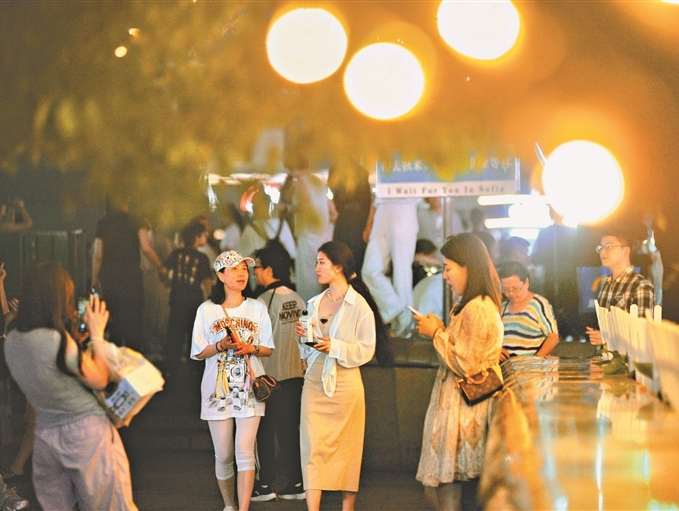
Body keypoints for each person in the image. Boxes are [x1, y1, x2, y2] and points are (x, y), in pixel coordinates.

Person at [3, 262, 137, 510]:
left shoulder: (13, 341)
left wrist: (76, 343)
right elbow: (99, 378)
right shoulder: (58, 340)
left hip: (47, 437)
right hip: (85, 436)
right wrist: (97, 335)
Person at [295, 241, 390, 511]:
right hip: (315, 382)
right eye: (316, 262)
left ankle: (347, 508)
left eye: (322, 262)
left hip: (346, 384)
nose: (316, 268)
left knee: (348, 448)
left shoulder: (359, 305)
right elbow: (308, 347)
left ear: (338, 267)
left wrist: (333, 346)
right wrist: (304, 338)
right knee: (311, 446)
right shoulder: (314, 303)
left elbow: (366, 349)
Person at [413, 233, 503, 511]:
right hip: (457, 406)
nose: (445, 276)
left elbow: (467, 364)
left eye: (448, 268)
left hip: (463, 407)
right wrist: (442, 330)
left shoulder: (478, 308)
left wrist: (436, 333)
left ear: (467, 268)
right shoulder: (474, 304)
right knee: (444, 484)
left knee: (445, 484)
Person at [190, 250, 274, 511]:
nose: (241, 274)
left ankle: (243, 508)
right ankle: (229, 505)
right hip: (217, 391)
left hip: (250, 389)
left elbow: (268, 348)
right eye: (234, 269)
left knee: (245, 451)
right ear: (220, 275)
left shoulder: (257, 307)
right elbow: (198, 352)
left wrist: (251, 348)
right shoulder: (207, 310)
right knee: (224, 454)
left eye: (245, 269)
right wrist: (220, 345)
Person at [251, 244, 305, 502]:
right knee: (289, 431)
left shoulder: (263, 302)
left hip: (269, 380)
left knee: (264, 432)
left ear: (269, 270)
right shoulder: (298, 299)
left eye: (258, 267)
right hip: (295, 377)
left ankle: (265, 484)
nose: (254, 273)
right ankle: (297, 482)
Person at [92, 195, 166, 350]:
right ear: (126, 202)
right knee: (133, 319)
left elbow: (98, 255)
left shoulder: (102, 223)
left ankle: (114, 356)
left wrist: (94, 281)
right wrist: (160, 265)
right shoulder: (136, 221)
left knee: (114, 321)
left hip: (109, 278)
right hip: (131, 277)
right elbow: (146, 248)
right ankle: (133, 357)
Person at [279, 154, 334, 302]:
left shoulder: (300, 182)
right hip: (323, 234)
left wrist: (287, 207)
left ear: (293, 167)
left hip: (307, 233)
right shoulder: (318, 181)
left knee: (307, 276)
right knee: (320, 273)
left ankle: (308, 307)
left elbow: (305, 204)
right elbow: (332, 210)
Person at [361, 196, 419, 336]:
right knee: (369, 271)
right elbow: (376, 193)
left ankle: (405, 328)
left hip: (403, 205)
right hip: (382, 208)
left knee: (401, 272)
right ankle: (395, 307)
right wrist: (370, 222)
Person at [586, 230, 655, 346]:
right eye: (601, 247)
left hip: (629, 356)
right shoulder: (606, 284)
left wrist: (608, 338)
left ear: (626, 251)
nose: (603, 252)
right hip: (605, 354)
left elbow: (644, 332)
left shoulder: (640, 285)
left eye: (609, 246)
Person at [163, 221, 213, 377]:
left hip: (176, 299)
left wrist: (167, 281)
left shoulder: (176, 253)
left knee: (174, 335)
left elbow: (164, 270)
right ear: (196, 237)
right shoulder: (202, 258)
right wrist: (212, 299)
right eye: (203, 235)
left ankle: (171, 369)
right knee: (194, 336)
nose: (205, 238)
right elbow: (207, 282)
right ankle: (194, 370)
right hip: (194, 302)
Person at [496, 261, 559, 360]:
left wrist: (535, 360)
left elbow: (553, 337)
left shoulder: (538, 304)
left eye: (515, 288)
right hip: (507, 368)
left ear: (526, 282)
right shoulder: (503, 307)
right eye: (506, 289)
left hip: (532, 367)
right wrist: (497, 350)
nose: (511, 293)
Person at [328, 161, 372, 274]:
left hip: (343, 219)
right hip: (360, 220)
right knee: (358, 256)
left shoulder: (336, 169)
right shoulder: (362, 172)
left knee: (341, 256)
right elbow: (367, 199)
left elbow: (332, 188)